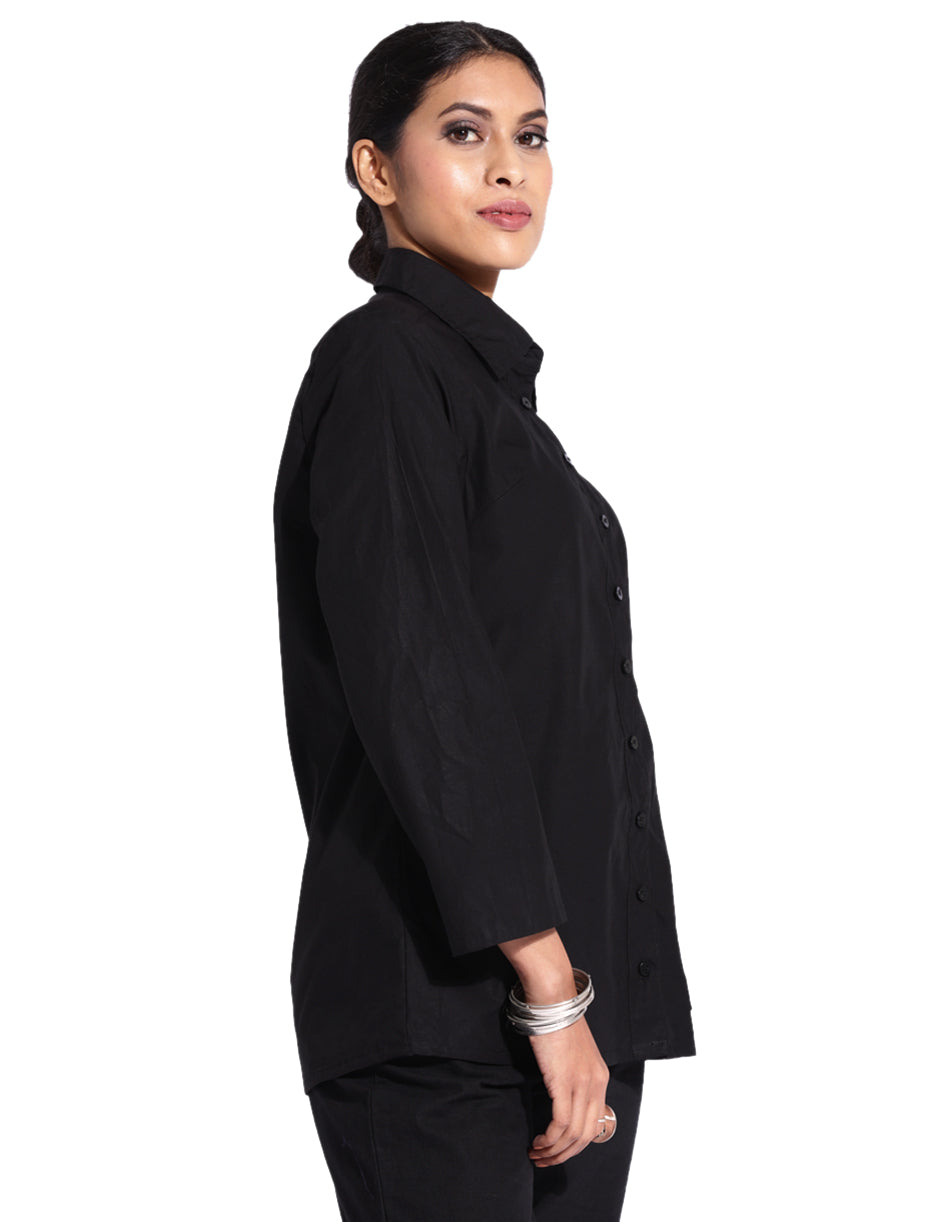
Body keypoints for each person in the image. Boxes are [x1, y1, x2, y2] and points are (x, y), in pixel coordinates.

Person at [272, 20, 696, 1222]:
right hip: (451, 1016)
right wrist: (550, 987)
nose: (510, 166)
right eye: (464, 133)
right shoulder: (384, 365)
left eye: (534, 136)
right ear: (376, 168)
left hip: (564, 1012)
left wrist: (585, 1001)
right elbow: (425, 689)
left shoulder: (500, 409)